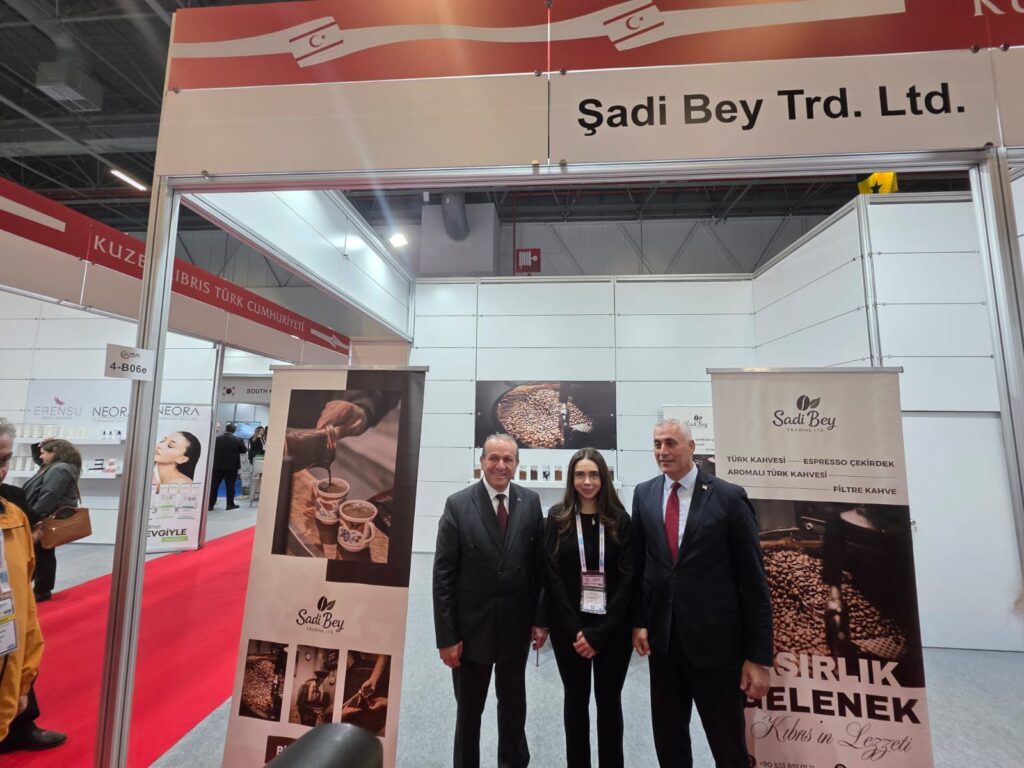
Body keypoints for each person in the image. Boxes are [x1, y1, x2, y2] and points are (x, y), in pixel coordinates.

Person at [632, 419, 772, 768]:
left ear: (692, 447)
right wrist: (640, 621)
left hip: (717, 647)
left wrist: (757, 657)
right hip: (664, 644)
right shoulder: (644, 494)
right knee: (669, 741)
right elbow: (640, 566)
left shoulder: (729, 497)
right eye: (657, 444)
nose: (662, 451)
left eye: (671, 443)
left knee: (728, 745)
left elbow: (754, 582)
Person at [432, 433, 547, 768]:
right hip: (470, 632)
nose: (500, 465)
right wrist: (447, 638)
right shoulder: (458, 505)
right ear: (481, 461)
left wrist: (540, 620)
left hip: (515, 627)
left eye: (508, 459)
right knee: (469, 713)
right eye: (493, 458)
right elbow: (442, 577)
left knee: (513, 709)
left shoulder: (530, 502)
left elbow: (539, 569)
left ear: (517, 464)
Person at [542, 448, 633, 768]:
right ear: (571, 479)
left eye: (594, 474)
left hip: (613, 632)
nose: (587, 481)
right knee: (575, 704)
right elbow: (552, 577)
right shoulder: (556, 519)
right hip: (570, 632)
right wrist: (577, 631)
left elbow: (628, 579)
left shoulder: (621, 520)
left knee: (609, 705)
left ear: (604, 478)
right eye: (580, 474)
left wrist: (600, 633)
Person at [0, 419, 66, 753]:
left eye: (4, 459)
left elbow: (23, 582)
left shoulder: (12, 504)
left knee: (18, 646)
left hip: (8, 616)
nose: (1, 469)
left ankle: (20, 726)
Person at [23, 438, 82, 603]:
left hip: (44, 515)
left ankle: (41, 590)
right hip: (44, 514)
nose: (41, 457)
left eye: (43, 453)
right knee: (42, 551)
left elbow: (50, 494)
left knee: (41, 552)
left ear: (55, 453)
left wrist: (33, 516)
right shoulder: (56, 467)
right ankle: (40, 589)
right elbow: (40, 462)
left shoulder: (59, 469)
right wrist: (39, 446)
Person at [209, 423, 246, 511]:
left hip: (217, 466)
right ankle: (230, 505)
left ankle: (210, 505)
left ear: (226, 429)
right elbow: (243, 451)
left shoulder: (216, 439)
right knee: (230, 485)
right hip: (232, 467)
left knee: (214, 486)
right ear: (234, 431)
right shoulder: (238, 439)